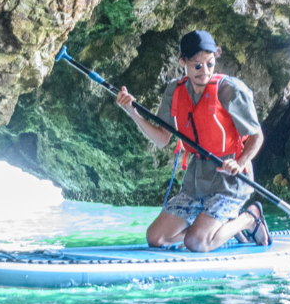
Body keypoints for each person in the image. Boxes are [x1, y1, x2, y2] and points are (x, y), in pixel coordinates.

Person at [114, 29, 271, 252]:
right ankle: (222, 229)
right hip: (195, 181)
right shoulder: (174, 91)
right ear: (183, 62)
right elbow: (161, 139)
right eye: (197, 65)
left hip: (230, 181)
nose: (204, 71)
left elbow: (257, 136)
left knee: (197, 242)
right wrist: (132, 112)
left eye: (210, 63)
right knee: (155, 238)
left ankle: (249, 218)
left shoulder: (229, 90)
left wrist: (240, 162)